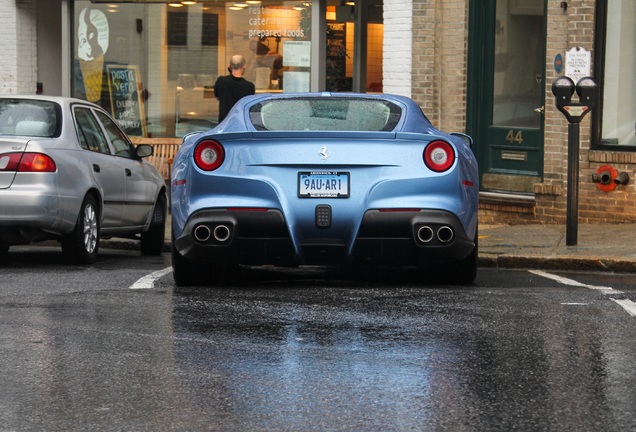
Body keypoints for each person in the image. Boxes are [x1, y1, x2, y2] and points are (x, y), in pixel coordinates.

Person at [214, 55, 256, 123]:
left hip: (224, 124)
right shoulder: (250, 86)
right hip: (241, 123)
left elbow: (217, 96)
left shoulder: (221, 81)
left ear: (229, 66)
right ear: (244, 66)